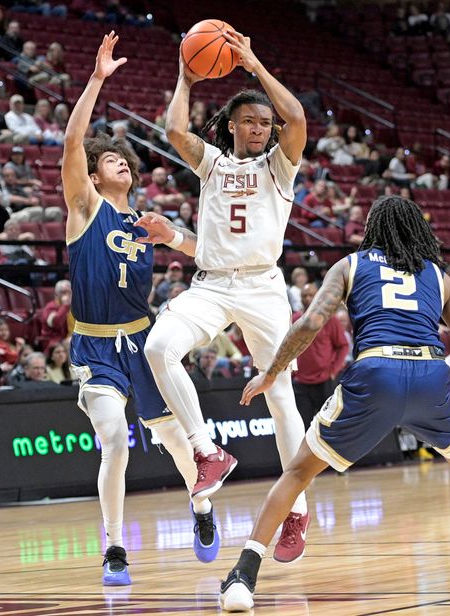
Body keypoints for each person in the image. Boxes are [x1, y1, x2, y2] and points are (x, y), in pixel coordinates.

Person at [217, 196, 450, 611]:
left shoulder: (350, 264)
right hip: (429, 373)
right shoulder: (439, 277)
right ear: (417, 230)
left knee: (297, 471)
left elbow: (312, 322)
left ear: (373, 229)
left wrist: (272, 371)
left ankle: (244, 576)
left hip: (377, 371)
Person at [135, 28, 311, 563]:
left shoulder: (280, 166)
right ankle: (207, 451)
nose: (259, 129)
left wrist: (254, 63)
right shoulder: (211, 163)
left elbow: (298, 118)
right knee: (159, 347)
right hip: (211, 284)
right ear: (232, 126)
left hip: (262, 288)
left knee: (280, 398)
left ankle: (296, 510)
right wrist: (186, 77)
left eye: (265, 123)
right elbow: (173, 128)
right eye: (250, 122)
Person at [61, 32, 218, 586]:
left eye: (123, 160)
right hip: (96, 343)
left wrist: (174, 237)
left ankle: (201, 508)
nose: (118, 165)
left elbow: (210, 254)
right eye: (109, 160)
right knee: (112, 439)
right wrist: (98, 79)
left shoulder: (146, 222)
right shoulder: (84, 208)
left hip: (143, 340)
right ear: (97, 174)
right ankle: (115, 548)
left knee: (174, 439)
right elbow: (72, 143)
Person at [292, 282, 349, 427]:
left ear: (318, 296)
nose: (308, 298)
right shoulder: (294, 319)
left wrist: (333, 370)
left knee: (328, 424)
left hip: (324, 380)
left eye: (311, 295)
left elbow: (343, 346)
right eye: (305, 295)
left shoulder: (330, 319)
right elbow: (288, 347)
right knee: (302, 425)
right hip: (300, 382)